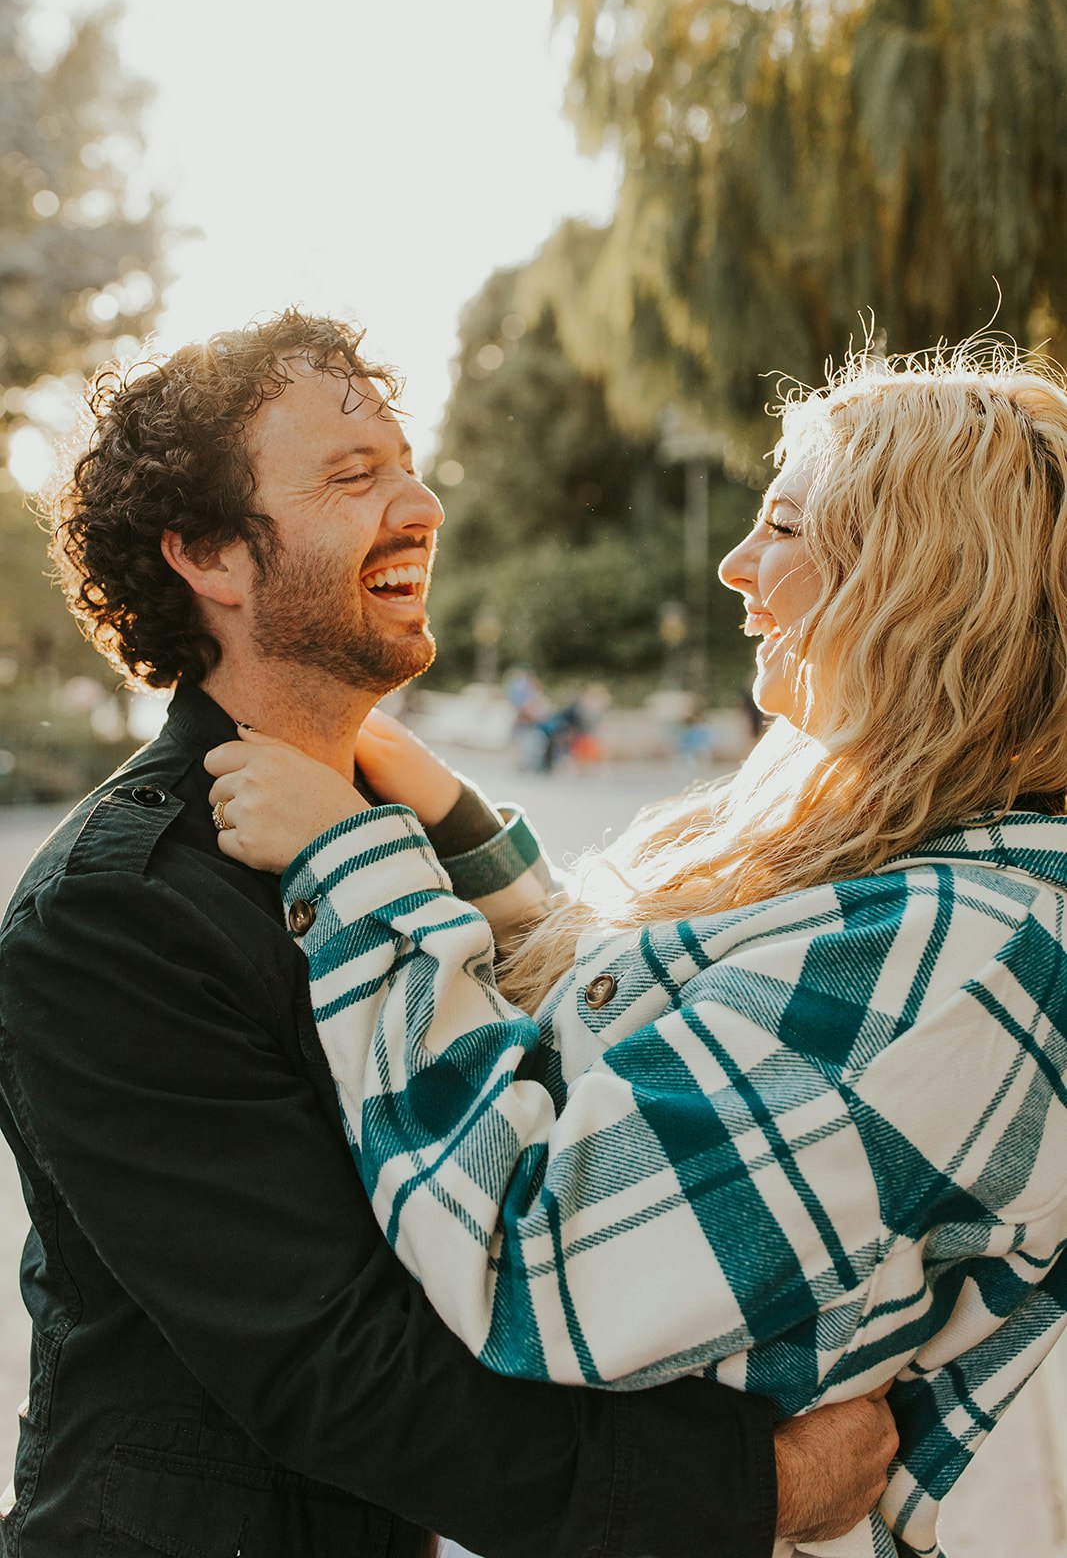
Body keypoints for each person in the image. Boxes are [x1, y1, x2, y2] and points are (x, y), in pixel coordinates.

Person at [0, 309, 893, 1558]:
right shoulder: (114, 914)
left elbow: (580, 1080)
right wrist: (759, 1483)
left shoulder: (392, 836)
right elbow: (346, 1372)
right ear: (208, 552)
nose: (419, 503)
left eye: (410, 467)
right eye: (353, 475)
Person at [208, 345, 1067, 1558]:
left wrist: (362, 881)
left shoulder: (963, 954)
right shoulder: (928, 884)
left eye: (781, 523)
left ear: (914, 581)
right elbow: (663, 1051)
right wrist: (452, 826)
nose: (733, 563)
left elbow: (535, 1256)